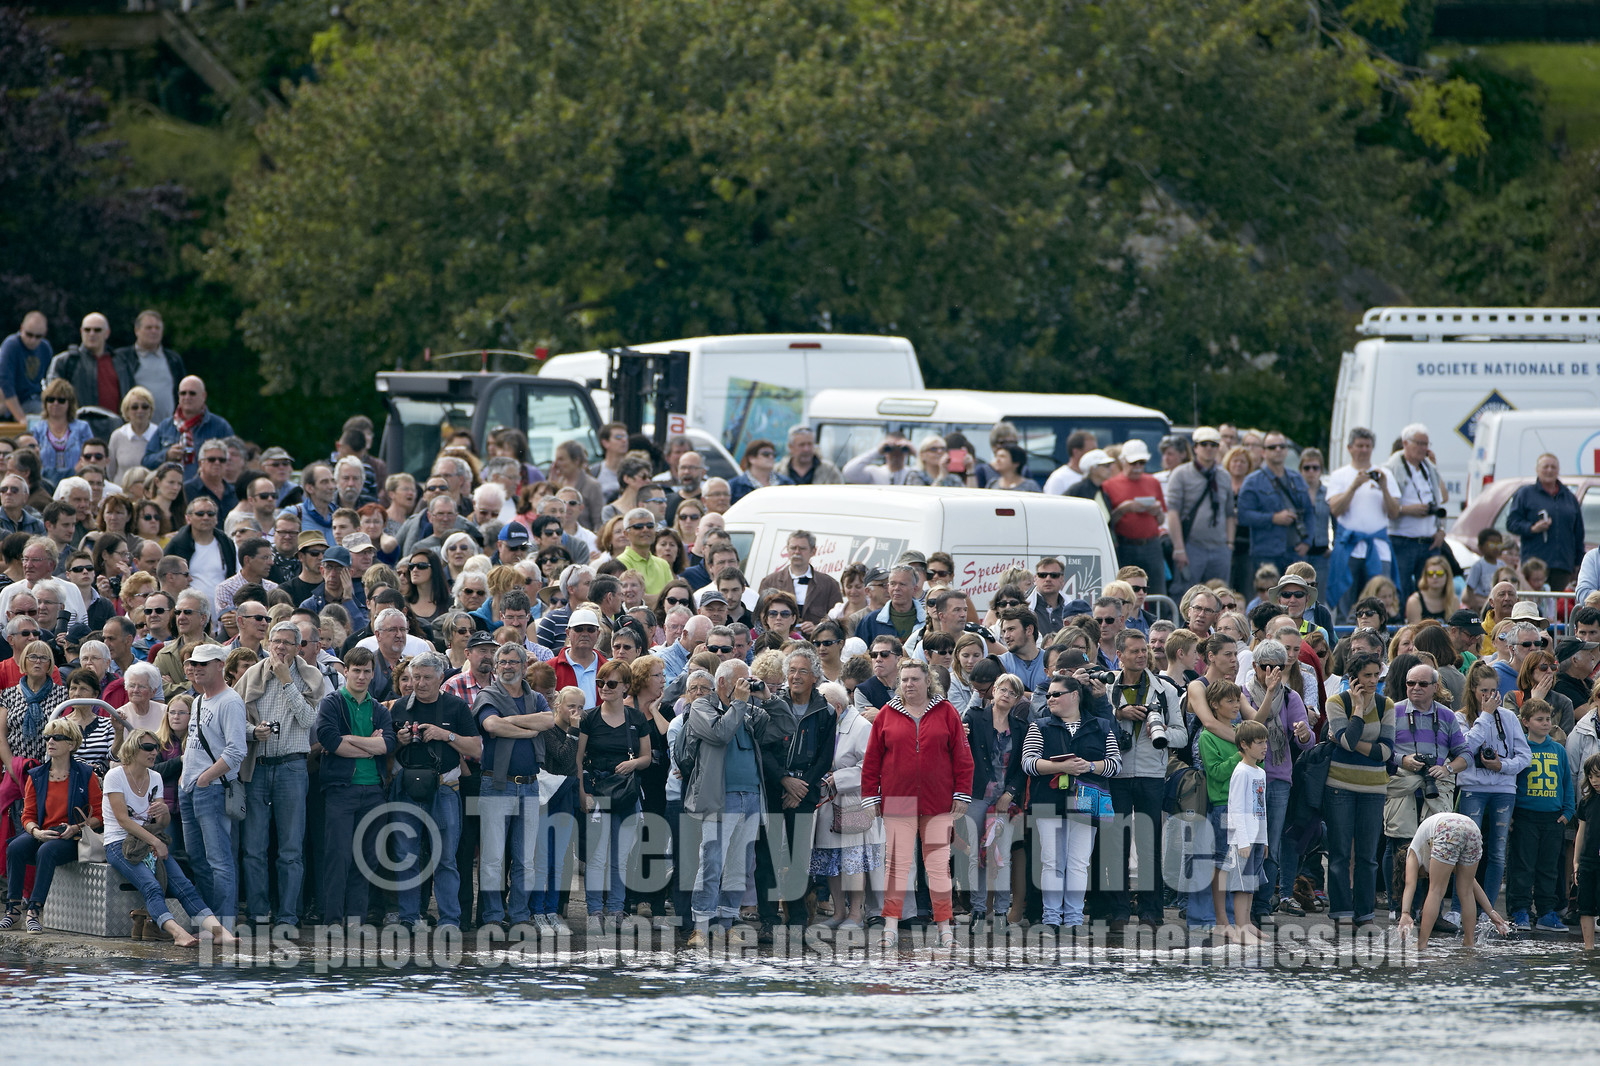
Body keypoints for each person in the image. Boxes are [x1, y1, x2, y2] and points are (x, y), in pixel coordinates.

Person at [860, 658, 972, 948]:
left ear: (927, 681)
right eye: (905, 679)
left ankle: (945, 927)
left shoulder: (947, 712)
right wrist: (871, 796)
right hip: (898, 800)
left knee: (938, 867)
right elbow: (872, 760)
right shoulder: (886, 714)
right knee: (897, 866)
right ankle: (890, 926)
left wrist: (961, 793)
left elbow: (962, 757)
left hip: (938, 802)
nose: (909, 684)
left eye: (915, 679)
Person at [101, 728, 236, 946]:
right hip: (119, 843)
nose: (154, 752)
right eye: (148, 747)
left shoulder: (155, 777)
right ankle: (178, 933)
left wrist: (164, 813)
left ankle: (219, 932)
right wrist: (156, 842)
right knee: (152, 886)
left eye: (156, 748)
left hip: (148, 840)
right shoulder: (115, 776)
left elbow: (161, 824)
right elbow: (123, 820)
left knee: (185, 885)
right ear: (132, 748)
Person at [236, 621, 323, 931]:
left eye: (288, 642)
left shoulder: (311, 676)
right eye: (276, 641)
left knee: (291, 850)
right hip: (258, 767)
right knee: (253, 849)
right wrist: (252, 732)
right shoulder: (252, 675)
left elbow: (308, 719)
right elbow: (233, 719)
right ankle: (258, 913)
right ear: (268, 644)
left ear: (299, 647)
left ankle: (288, 915)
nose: (281, 647)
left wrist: (287, 680)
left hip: (292, 768)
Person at [680, 658, 773, 948]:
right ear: (722, 682)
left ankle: (727, 923)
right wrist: (741, 703)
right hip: (721, 797)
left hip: (751, 795)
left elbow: (785, 726)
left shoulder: (748, 709)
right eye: (740, 681)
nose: (746, 686)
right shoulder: (701, 706)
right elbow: (719, 733)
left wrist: (768, 698)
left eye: (748, 681)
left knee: (739, 865)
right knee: (712, 861)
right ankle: (701, 926)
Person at [388, 650, 480, 931]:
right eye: (416, 677)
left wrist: (446, 735)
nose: (420, 683)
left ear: (441, 678)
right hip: (406, 788)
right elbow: (386, 750)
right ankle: (408, 918)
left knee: (445, 859)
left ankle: (449, 920)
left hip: (444, 788)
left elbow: (476, 749)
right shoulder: (399, 707)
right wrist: (400, 740)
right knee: (406, 858)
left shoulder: (456, 707)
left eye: (427, 677)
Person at [1022, 671, 1118, 934]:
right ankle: (1051, 917)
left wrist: (1089, 766)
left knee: (1078, 861)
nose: (1050, 699)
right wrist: (1061, 767)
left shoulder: (1101, 725)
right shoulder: (1039, 726)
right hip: (1048, 800)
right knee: (1052, 861)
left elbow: (1115, 764)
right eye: (1048, 695)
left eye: (1056, 694)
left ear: (1074, 695)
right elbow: (1028, 762)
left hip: (1086, 799)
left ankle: (1074, 918)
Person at [1106, 627, 1186, 929]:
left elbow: (1181, 735)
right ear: (1120, 654)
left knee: (1149, 844)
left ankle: (1151, 911)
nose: (1142, 656)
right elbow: (1096, 724)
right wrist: (1119, 714)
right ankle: (1118, 910)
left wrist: (1159, 731)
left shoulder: (1164, 690)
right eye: (1135, 651)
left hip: (1152, 773)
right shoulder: (1107, 687)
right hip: (1116, 771)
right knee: (1117, 844)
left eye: (1145, 650)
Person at [1447, 659, 1531, 928]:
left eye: (1493, 691)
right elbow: (1465, 749)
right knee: (1466, 850)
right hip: (1472, 789)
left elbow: (1525, 756)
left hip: (1503, 790)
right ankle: (1457, 909)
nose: (1489, 696)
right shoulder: (1460, 717)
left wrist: (1501, 766)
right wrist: (1484, 716)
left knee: (1496, 852)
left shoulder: (1508, 717)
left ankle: (1488, 912)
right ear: (1472, 690)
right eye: (1484, 690)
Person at [315, 646, 396, 924]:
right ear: (346, 672)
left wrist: (350, 739)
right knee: (338, 857)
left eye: (366, 671)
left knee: (366, 858)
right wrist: (369, 746)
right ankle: (333, 920)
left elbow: (388, 744)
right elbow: (330, 740)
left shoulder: (378, 708)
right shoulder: (332, 703)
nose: (361, 676)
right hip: (341, 790)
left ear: (373, 674)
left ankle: (356, 920)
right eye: (356, 671)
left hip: (374, 791)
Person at [1384, 661, 1468, 921]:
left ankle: (1430, 912)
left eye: (1422, 684)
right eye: (1411, 683)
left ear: (1435, 687)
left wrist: (1447, 769)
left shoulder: (1447, 715)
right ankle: (1399, 907)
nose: (1416, 688)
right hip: (1403, 787)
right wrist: (1403, 760)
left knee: (1435, 851)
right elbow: (1382, 750)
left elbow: (1465, 755)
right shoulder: (1393, 711)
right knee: (1399, 849)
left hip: (1435, 789)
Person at [2, 717, 102, 933]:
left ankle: (34, 910)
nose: (50, 741)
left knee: (46, 851)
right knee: (15, 847)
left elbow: (99, 815)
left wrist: (75, 828)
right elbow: (27, 816)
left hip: (73, 837)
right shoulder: (36, 775)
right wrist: (36, 832)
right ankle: (13, 910)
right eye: (48, 737)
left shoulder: (86, 775)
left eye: (57, 737)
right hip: (43, 832)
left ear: (71, 744)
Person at [1238, 639, 1312, 924]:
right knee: (1249, 841)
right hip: (1249, 776)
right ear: (1255, 666)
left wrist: (1304, 733)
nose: (1272, 672)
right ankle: (1245, 904)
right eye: (1266, 666)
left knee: (1272, 842)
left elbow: (1307, 741)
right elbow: (1255, 725)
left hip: (1279, 777)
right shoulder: (1244, 693)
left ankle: (1262, 905)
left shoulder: (1291, 697)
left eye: (1278, 667)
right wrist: (1270, 692)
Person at [177, 642, 247, 932]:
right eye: (194, 663)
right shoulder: (198, 700)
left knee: (219, 860)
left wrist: (205, 777)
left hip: (212, 787)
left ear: (220, 665)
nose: (196, 668)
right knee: (198, 859)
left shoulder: (230, 701)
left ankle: (224, 925)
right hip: (191, 786)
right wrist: (187, 776)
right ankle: (209, 922)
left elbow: (236, 750)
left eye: (203, 663)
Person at [1323, 651, 1394, 925]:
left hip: (1374, 789)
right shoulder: (1336, 702)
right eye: (1367, 676)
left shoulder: (1386, 704)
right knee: (1339, 853)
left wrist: (1350, 743)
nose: (1373, 681)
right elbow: (1348, 740)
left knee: (1367, 856)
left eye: (1377, 675)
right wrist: (1357, 710)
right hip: (1339, 786)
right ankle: (1341, 911)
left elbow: (1385, 752)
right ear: (1353, 679)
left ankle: (1364, 913)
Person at [811, 680, 883, 931]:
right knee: (832, 860)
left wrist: (839, 778)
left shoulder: (861, 727)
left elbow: (872, 767)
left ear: (838, 707)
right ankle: (838, 912)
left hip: (853, 801)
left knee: (853, 861)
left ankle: (855, 914)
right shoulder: (825, 723)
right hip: (827, 802)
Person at [1395, 812, 1511, 950]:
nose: (1425, 876)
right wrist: (1491, 911)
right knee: (1466, 891)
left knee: (1436, 891)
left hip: (1447, 828)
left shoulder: (1412, 853)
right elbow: (1473, 885)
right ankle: (1469, 943)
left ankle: (1422, 943)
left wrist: (1405, 913)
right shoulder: (1430, 844)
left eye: (1421, 875)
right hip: (1472, 828)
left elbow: (1410, 884)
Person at [1506, 698, 1574, 932]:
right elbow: (1512, 782)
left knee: (1549, 867)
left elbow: (1566, 783)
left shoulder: (1558, 750)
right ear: (1525, 722)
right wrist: (1511, 814)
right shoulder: (1520, 748)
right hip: (1525, 816)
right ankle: (1520, 910)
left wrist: (1568, 811)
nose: (1546, 723)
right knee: (1522, 866)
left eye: (1548, 719)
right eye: (1540, 719)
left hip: (1553, 818)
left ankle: (1546, 912)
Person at [1164, 426, 1235, 594]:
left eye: (1213, 444)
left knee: (1221, 596)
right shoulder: (1180, 474)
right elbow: (1172, 512)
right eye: (1204, 444)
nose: (1209, 448)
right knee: (1187, 595)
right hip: (1191, 546)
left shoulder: (1224, 476)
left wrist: (1229, 545)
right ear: (1195, 448)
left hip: (1219, 547)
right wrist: (1179, 548)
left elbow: (1229, 513)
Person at [1383, 423, 1448, 604]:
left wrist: (1441, 530)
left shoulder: (1429, 468)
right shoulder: (1391, 469)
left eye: (1426, 444)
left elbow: (1443, 498)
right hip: (1402, 541)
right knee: (1400, 589)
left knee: (1431, 591)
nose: (1423, 448)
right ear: (1405, 443)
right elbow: (1386, 508)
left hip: (1429, 542)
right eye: (1419, 443)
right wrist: (1407, 510)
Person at [1237, 431, 1313, 581]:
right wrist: (1273, 518)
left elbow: (1309, 512)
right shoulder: (1252, 481)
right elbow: (1243, 515)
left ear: (1286, 451)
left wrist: (1307, 542)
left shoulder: (1297, 478)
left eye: (1282, 446)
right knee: (1268, 594)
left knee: (1296, 593)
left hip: (1295, 552)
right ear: (1263, 452)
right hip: (1266, 553)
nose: (1278, 450)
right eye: (1272, 447)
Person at [1508, 453, 1586, 591]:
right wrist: (1532, 528)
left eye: (1553, 467)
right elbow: (1512, 523)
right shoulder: (1525, 494)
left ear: (1558, 470)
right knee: (1533, 603)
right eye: (1545, 467)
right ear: (1537, 469)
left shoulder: (1569, 498)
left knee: (1558, 603)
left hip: (1562, 566)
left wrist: (1579, 563)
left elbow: (1578, 534)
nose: (1549, 470)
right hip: (1533, 566)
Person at [1101, 439, 1168, 598]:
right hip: (1125, 545)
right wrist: (1124, 509)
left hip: (1151, 544)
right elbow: (1107, 523)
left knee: (1156, 589)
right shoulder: (1109, 485)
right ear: (1123, 461)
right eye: (1133, 463)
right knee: (1125, 592)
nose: (1138, 467)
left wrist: (1157, 511)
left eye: (1141, 463)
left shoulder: (1153, 482)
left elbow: (1160, 520)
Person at [1225, 720, 1270, 944]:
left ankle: (1247, 922)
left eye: (1265, 742)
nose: (1264, 747)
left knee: (1251, 884)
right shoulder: (1241, 772)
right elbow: (1235, 808)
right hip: (1242, 840)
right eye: (1259, 742)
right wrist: (1242, 840)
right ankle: (1240, 928)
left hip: (1256, 838)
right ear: (1244, 744)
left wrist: (1264, 840)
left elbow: (1262, 810)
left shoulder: (1260, 772)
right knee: (1241, 885)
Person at [142, 376, 235, 480]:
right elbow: (146, 462)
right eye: (183, 393)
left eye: (192, 393)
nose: (187, 397)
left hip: (206, 486)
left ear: (203, 396)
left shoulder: (220, 426)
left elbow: (232, 461)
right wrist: (167, 455)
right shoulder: (165, 426)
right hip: (172, 487)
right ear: (178, 396)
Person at [757, 530, 843, 636]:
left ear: (813, 551)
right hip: (778, 642)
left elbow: (838, 621)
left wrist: (818, 628)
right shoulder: (770, 582)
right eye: (793, 548)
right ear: (787, 549)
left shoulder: (829, 584)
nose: (797, 552)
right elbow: (760, 618)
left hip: (815, 643)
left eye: (802, 548)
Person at [117, 309, 187, 423]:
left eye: (157, 328)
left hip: (169, 426)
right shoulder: (122, 359)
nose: (154, 331)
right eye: (149, 328)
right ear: (137, 330)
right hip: (135, 427)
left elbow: (183, 393)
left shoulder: (173, 359)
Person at [29, 379, 94, 488]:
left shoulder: (83, 428)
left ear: (70, 403)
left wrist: (75, 471)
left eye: (61, 400)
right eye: (51, 399)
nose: (55, 403)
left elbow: (90, 454)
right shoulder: (36, 429)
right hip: (44, 484)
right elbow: (32, 459)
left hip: (77, 481)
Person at [0, 311, 50, 421]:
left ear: (44, 333)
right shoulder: (11, 345)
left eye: (38, 336)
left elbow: (49, 381)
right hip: (10, 401)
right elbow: (5, 384)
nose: (33, 340)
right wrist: (21, 418)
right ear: (21, 328)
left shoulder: (45, 348)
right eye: (29, 334)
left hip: (34, 399)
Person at [1574, 754, 1600, 948]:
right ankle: (1588, 948)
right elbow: (1581, 833)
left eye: (1598, 776)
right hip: (1588, 860)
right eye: (1590, 776)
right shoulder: (1586, 802)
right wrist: (1576, 861)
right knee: (1585, 906)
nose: (1594, 781)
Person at [774, 425, 842, 486]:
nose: (806, 449)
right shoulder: (777, 470)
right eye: (802, 445)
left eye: (810, 444)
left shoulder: (829, 470)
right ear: (790, 447)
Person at [728, 438, 791, 503]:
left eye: (774, 455)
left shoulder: (786, 483)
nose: (771, 457)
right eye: (766, 454)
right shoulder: (735, 486)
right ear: (751, 458)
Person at [1405, 555, 1460, 624]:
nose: (1434, 577)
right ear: (1425, 576)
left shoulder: (1454, 600)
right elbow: (1415, 629)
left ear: (1447, 575)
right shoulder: (1414, 601)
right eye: (1430, 573)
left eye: (1439, 573)